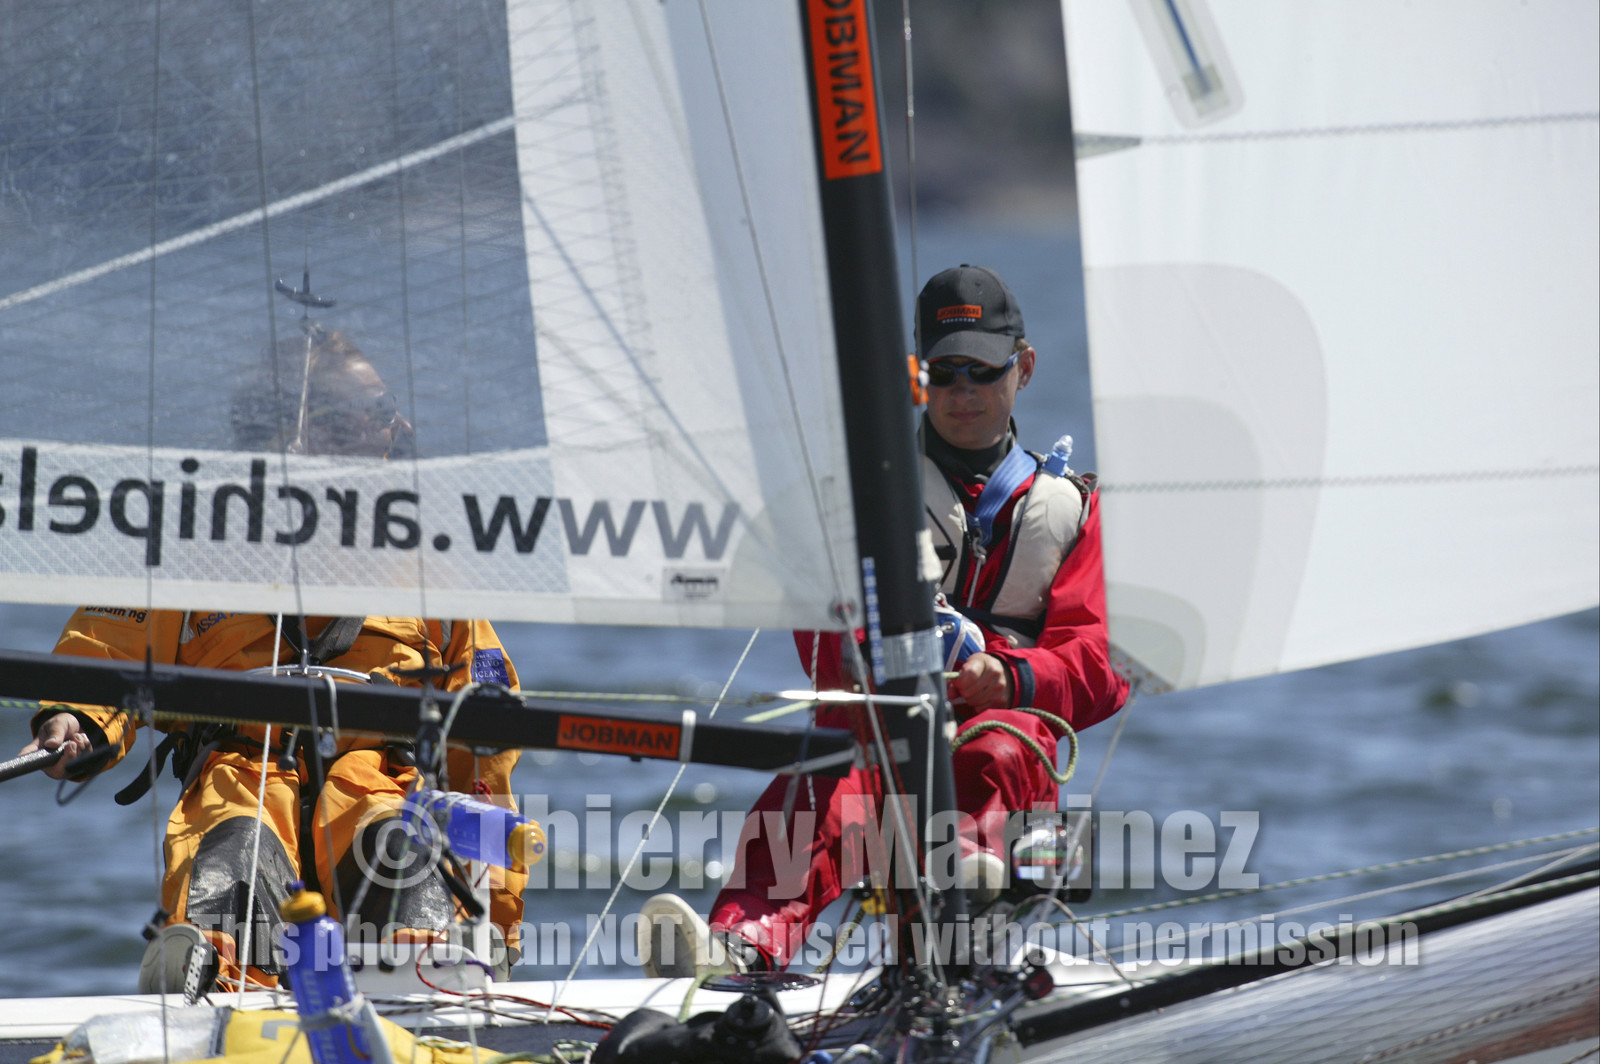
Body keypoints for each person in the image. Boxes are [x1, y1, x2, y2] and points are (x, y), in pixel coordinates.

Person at [639, 264, 1129, 976]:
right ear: (915, 374)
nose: (963, 392)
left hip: (1007, 736)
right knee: (822, 780)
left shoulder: (1074, 509)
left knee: (994, 753)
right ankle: (739, 946)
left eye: (982, 370)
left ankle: (971, 884)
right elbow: (825, 636)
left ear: (1022, 367)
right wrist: (896, 656)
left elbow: (1102, 663)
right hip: (888, 726)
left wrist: (1008, 674)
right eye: (944, 372)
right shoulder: (864, 497)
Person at [18, 327, 527, 994]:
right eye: (374, 411)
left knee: (396, 843)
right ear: (305, 431)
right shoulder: (187, 545)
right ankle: (213, 977)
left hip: (384, 785)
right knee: (235, 847)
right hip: (242, 774)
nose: (395, 426)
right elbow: (105, 652)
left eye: (389, 408)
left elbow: (484, 746)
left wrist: (502, 915)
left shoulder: (430, 563)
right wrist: (77, 720)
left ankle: (427, 975)